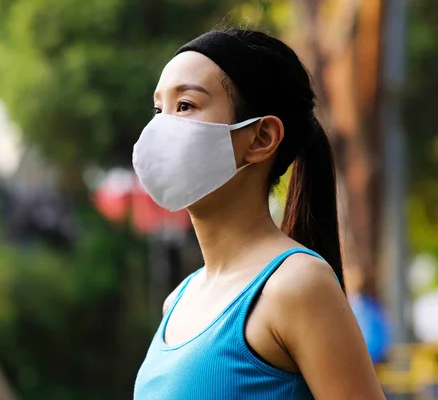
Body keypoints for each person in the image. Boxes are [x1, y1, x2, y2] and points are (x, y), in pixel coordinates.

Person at [132, 28, 386, 399]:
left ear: (261, 137)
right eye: (159, 109)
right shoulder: (178, 300)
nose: (161, 127)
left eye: (185, 105)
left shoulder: (297, 284)